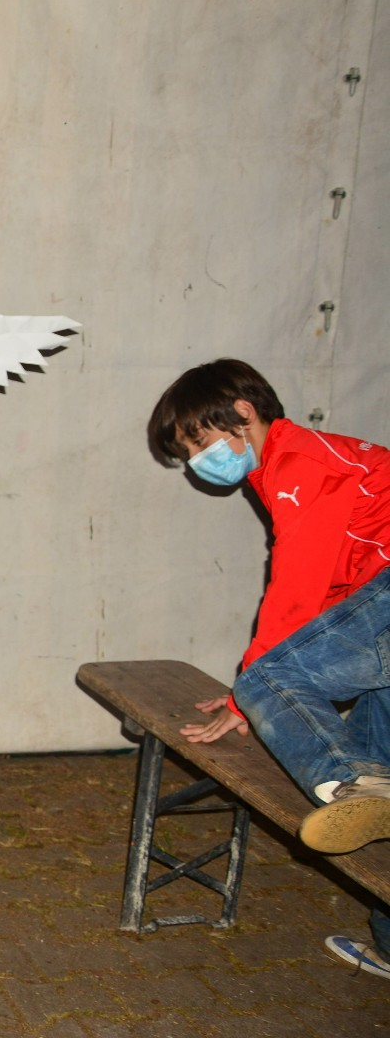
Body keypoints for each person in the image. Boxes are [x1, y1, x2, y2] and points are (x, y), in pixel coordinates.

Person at [148, 357, 390, 981]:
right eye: (186, 453)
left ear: (243, 412)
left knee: (268, 680)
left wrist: (250, 697)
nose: (196, 461)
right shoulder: (288, 466)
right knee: (377, 756)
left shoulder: (298, 464)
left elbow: (295, 595)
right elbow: (339, 592)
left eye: (197, 441)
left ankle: (354, 782)